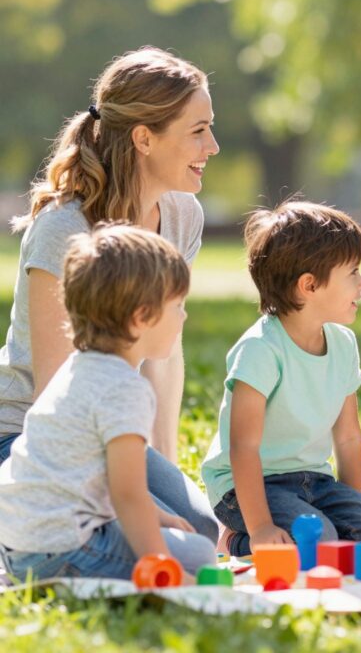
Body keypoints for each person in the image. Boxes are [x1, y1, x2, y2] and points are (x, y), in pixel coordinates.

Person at [0, 47, 219, 540]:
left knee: (199, 529)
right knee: (139, 539)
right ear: (144, 137)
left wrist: (162, 467)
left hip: (113, 426)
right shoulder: (64, 227)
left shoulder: (182, 217)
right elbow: (54, 388)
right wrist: (125, 503)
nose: (214, 146)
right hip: (28, 435)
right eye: (198, 130)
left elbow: (164, 352)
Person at [0, 225, 216, 581]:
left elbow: (98, 478)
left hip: (18, 543)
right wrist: (162, 567)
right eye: (177, 306)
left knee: (180, 534)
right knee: (200, 554)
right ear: (141, 317)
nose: (184, 316)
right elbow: (128, 493)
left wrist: (156, 516)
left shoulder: (78, 368)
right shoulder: (124, 389)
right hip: (63, 549)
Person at [202, 201, 361, 556]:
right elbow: (243, 448)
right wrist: (261, 526)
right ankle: (236, 540)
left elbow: (349, 439)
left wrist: (354, 515)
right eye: (353, 272)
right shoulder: (261, 350)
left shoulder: (343, 344)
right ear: (309, 285)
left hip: (313, 481)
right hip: (247, 487)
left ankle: (312, 532)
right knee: (319, 540)